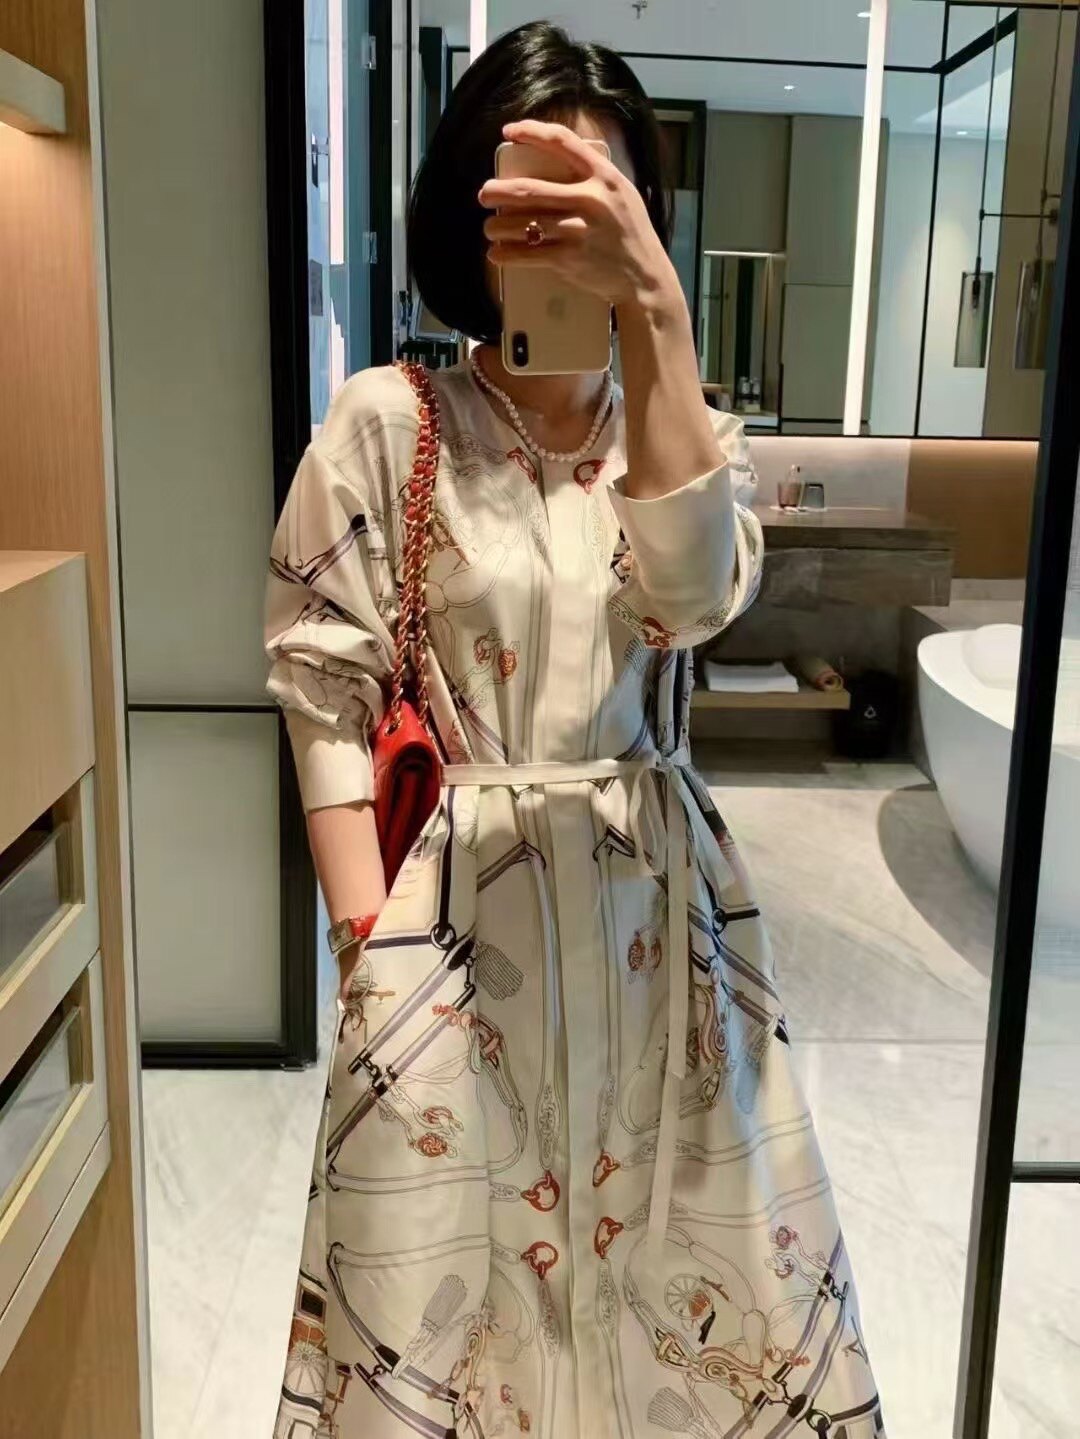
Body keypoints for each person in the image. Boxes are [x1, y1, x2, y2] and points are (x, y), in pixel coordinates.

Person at [265, 20, 884, 1439]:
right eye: (526, 198)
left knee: (687, 1285)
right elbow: (321, 691)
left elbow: (693, 601)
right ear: (465, 217)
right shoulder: (386, 422)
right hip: (449, 934)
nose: (558, 231)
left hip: (658, 923)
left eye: (596, 200)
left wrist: (658, 319)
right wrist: (366, 953)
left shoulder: (680, 439)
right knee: (449, 1295)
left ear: (644, 221)